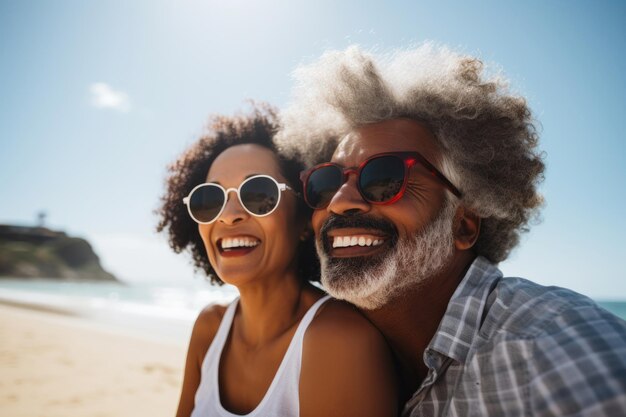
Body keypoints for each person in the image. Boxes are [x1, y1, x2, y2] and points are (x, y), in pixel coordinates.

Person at [277, 44, 626, 416]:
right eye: (327, 181)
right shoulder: (320, 349)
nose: (340, 202)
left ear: (464, 224)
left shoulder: (555, 347)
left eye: (384, 178)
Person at [156, 105, 398, 417]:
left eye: (258, 194)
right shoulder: (209, 328)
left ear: (302, 219)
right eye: (211, 200)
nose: (229, 216)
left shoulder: (340, 342)